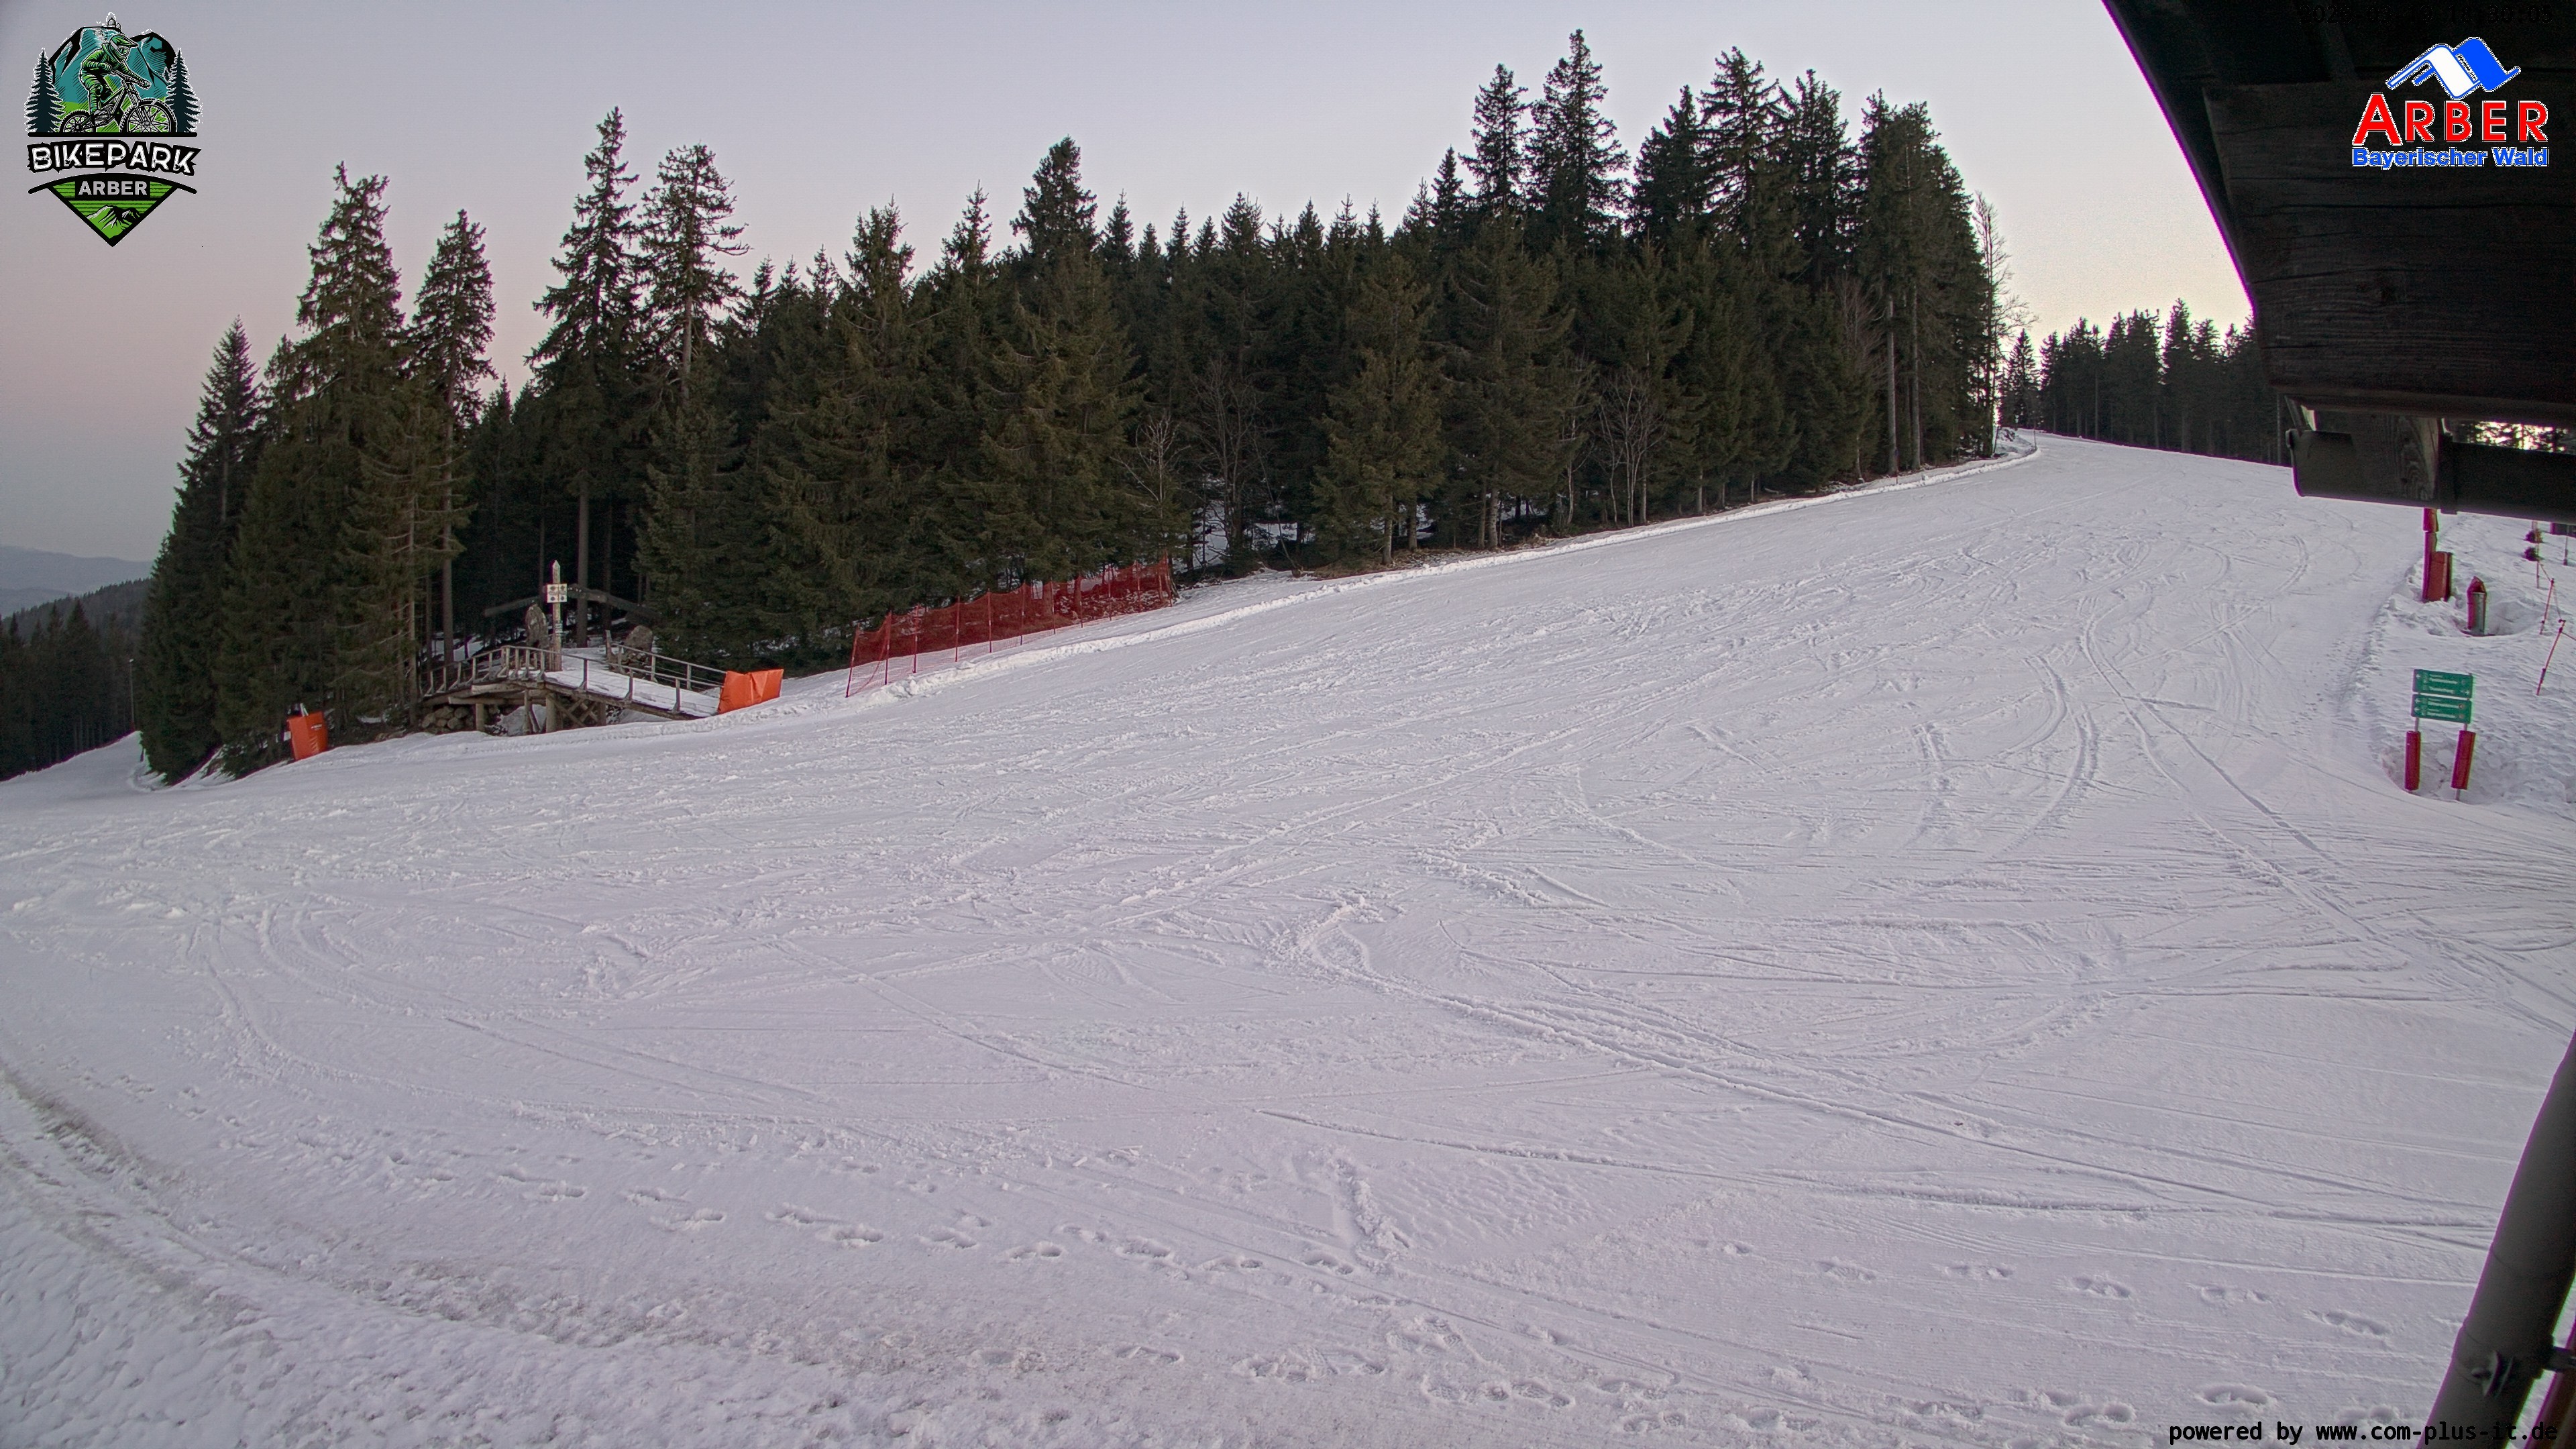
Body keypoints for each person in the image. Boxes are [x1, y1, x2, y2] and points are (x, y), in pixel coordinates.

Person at [78, 17, 147, 127]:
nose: (125, 54)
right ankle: (94, 112)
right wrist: (102, 65)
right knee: (97, 87)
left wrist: (141, 81)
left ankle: (123, 128)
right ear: (114, 48)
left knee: (114, 105)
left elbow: (128, 72)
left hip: (99, 77)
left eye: (127, 51)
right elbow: (85, 63)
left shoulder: (118, 62)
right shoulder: (101, 53)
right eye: (122, 50)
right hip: (88, 74)